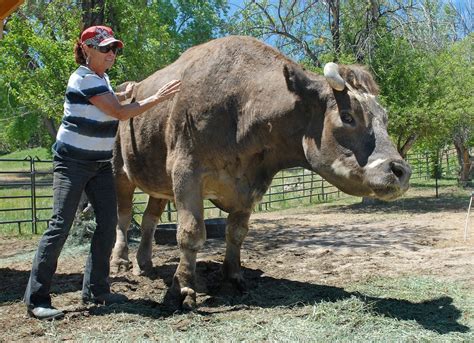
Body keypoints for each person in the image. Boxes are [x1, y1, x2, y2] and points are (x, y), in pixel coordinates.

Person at [24, 25, 181, 320]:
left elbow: (109, 104)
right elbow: (119, 113)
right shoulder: (82, 78)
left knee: (108, 224)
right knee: (60, 226)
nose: (112, 54)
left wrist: (121, 93)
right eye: (105, 49)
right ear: (87, 50)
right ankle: (37, 299)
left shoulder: (102, 79)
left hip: (99, 164)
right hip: (72, 163)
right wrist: (156, 98)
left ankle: (97, 289)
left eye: (114, 49)